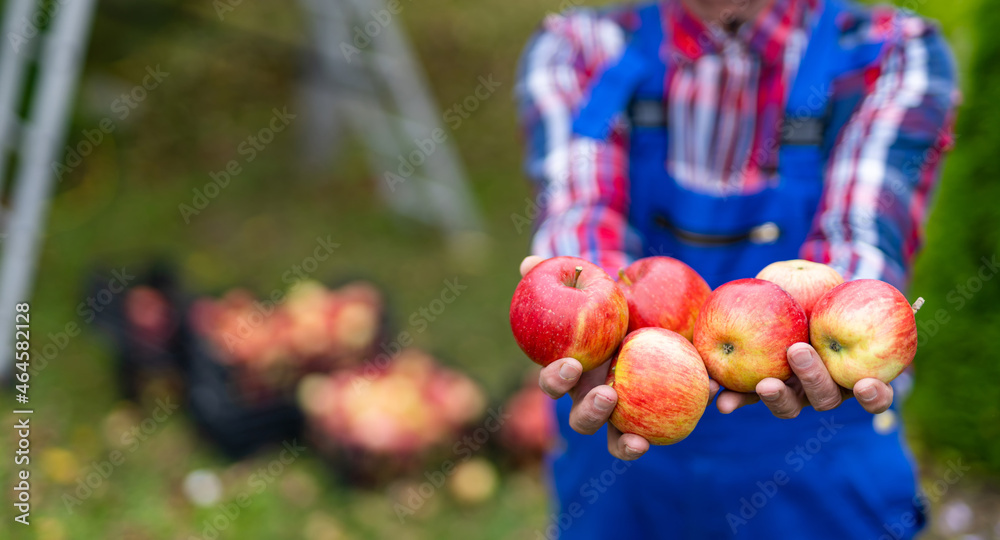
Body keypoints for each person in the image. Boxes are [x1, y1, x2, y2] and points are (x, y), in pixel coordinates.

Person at [514, 0, 958, 538]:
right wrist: (592, 334)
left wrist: (815, 339)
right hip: (624, 436)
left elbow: (858, 240)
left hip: (816, 457)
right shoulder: (580, 48)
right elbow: (582, 216)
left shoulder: (888, 52)